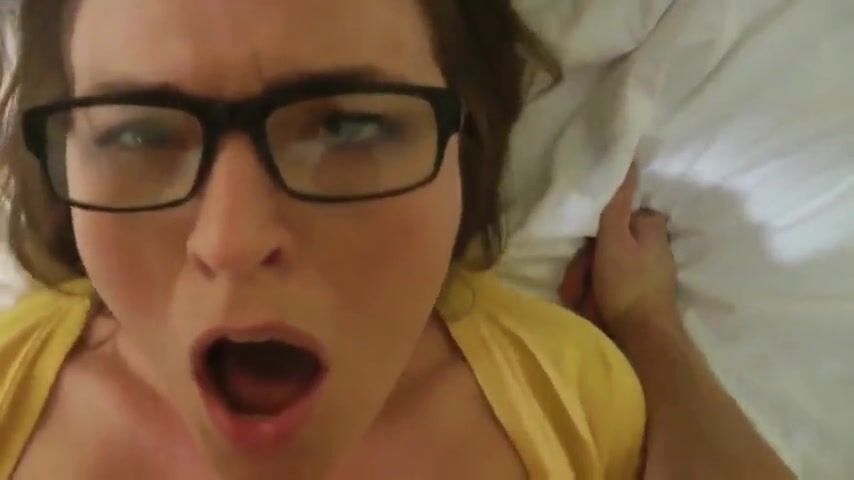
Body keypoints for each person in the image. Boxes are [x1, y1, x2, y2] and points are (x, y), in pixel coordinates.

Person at [0, 0, 793, 479]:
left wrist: (651, 333)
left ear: (464, 147)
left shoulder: (567, 393)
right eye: (138, 135)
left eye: (349, 127)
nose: (232, 241)